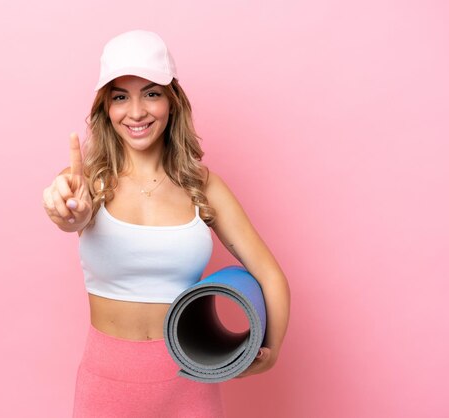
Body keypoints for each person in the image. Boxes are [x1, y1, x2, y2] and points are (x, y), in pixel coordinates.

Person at [43, 30, 290, 418]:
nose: (136, 111)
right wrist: (66, 211)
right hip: (105, 388)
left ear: (173, 101)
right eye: (120, 96)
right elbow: (69, 211)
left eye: (151, 93)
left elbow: (270, 275)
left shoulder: (204, 186)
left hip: (189, 385)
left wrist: (270, 351)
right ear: (105, 107)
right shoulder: (87, 180)